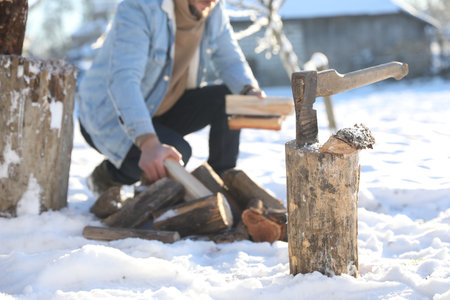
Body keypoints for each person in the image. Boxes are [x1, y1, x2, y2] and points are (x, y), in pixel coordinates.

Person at [77, 0, 264, 196]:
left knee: (229, 100)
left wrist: (249, 92)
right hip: (109, 117)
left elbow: (229, 59)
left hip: (161, 107)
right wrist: (149, 143)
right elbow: (124, 80)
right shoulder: (139, 8)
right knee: (174, 154)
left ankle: (220, 186)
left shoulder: (212, 10)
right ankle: (108, 176)